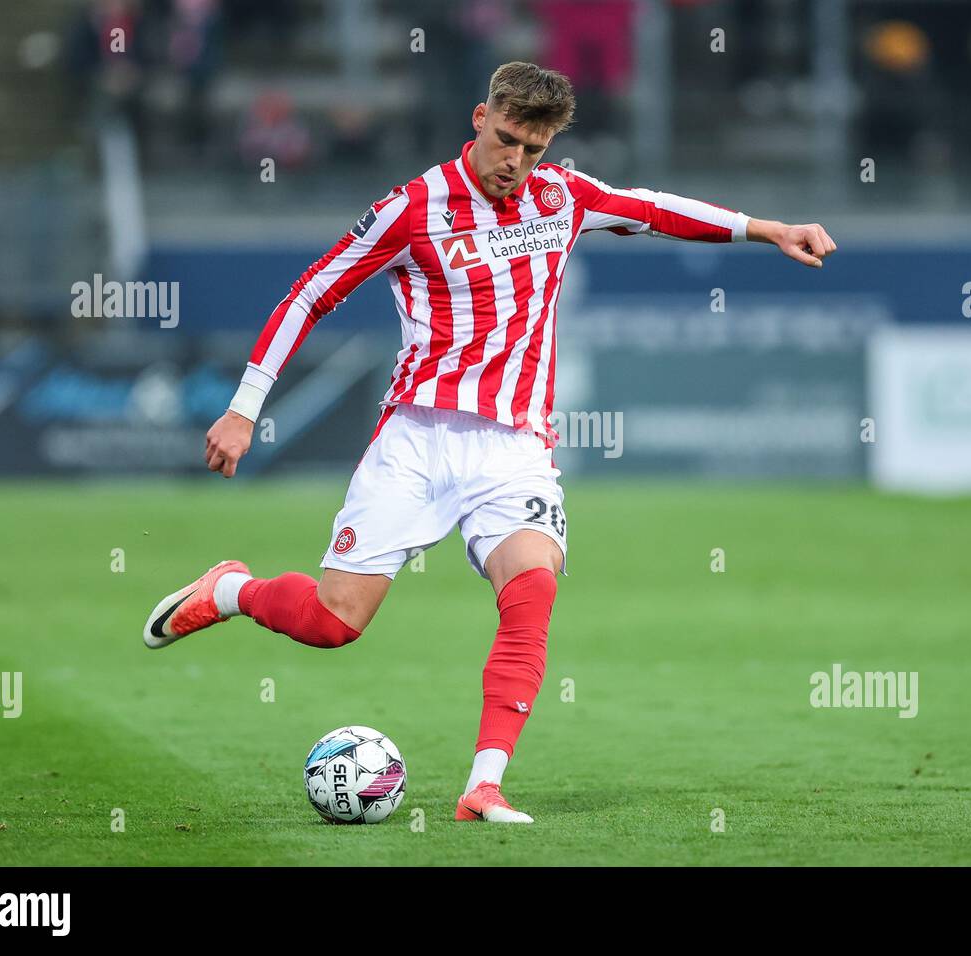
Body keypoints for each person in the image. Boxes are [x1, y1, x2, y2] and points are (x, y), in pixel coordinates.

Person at [142, 61, 836, 824]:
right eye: (507, 140)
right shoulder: (412, 208)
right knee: (333, 623)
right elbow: (310, 293)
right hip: (417, 438)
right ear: (480, 118)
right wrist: (244, 408)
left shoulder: (562, 197)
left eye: (533, 149)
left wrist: (768, 228)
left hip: (515, 447)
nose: (516, 162)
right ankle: (231, 590)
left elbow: (655, 208)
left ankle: (483, 784)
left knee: (532, 592)